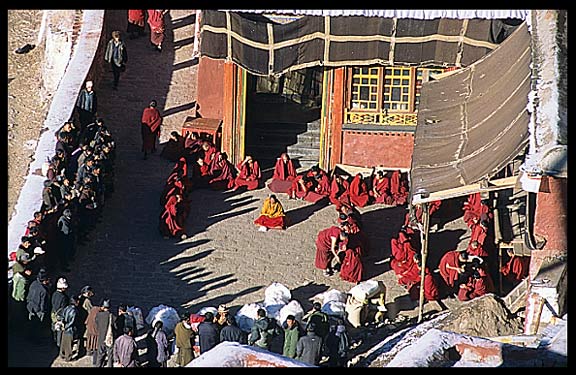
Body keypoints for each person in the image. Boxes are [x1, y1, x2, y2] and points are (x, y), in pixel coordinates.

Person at [26, 269, 51, 336]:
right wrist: (43, 311)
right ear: (44, 281)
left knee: (31, 323)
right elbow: (42, 303)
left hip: (30, 306)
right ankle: (36, 337)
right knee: (38, 325)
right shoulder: (43, 290)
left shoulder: (33, 283)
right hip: (38, 310)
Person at [59, 295, 81, 362]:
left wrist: (63, 325)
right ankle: (68, 357)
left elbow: (62, 316)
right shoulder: (74, 311)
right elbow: (72, 322)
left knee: (63, 342)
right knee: (69, 344)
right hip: (70, 329)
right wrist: (66, 327)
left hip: (65, 328)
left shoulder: (67, 308)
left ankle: (62, 354)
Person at [95, 300, 116, 367]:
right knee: (110, 354)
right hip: (109, 337)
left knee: (100, 354)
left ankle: (98, 365)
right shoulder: (112, 316)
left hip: (101, 336)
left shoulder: (98, 315)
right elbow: (115, 327)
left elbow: (97, 324)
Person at [50, 277, 70, 347]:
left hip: (53, 314)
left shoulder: (54, 294)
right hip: (60, 316)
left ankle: (54, 342)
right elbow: (63, 308)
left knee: (54, 329)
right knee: (60, 331)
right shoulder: (63, 297)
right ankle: (59, 344)